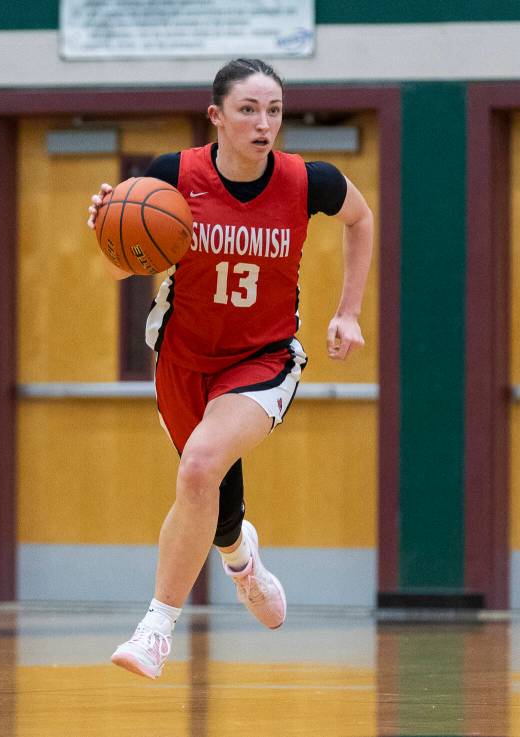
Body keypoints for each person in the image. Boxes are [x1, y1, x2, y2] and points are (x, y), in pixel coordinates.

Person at [85, 58, 374, 680]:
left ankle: (155, 629)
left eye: (273, 110)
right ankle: (242, 558)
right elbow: (118, 270)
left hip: (262, 357)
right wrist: (111, 234)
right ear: (216, 116)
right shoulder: (171, 178)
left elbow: (362, 218)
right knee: (207, 490)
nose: (263, 123)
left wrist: (348, 312)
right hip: (183, 360)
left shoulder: (309, 182)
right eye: (248, 109)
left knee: (201, 464)